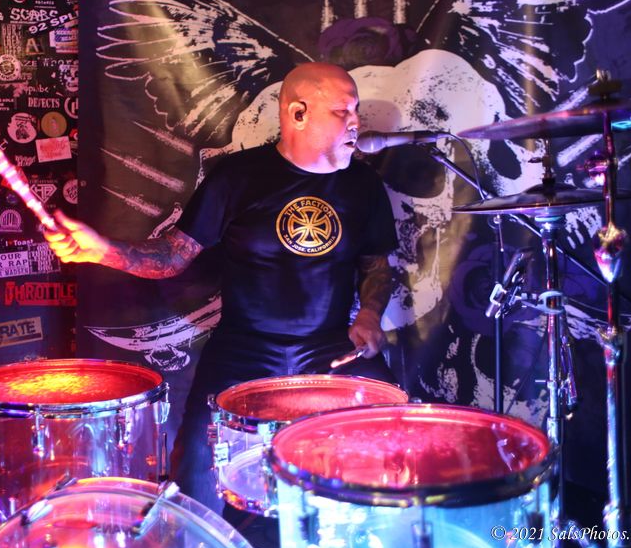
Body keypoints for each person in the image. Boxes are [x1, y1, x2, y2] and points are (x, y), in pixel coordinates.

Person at [44, 62, 398, 515]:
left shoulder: (363, 185)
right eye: (342, 111)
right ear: (298, 113)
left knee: (395, 440)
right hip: (244, 350)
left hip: (330, 348)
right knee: (195, 473)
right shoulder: (237, 177)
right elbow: (173, 257)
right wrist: (103, 251)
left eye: (356, 110)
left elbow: (376, 264)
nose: (356, 123)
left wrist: (369, 314)